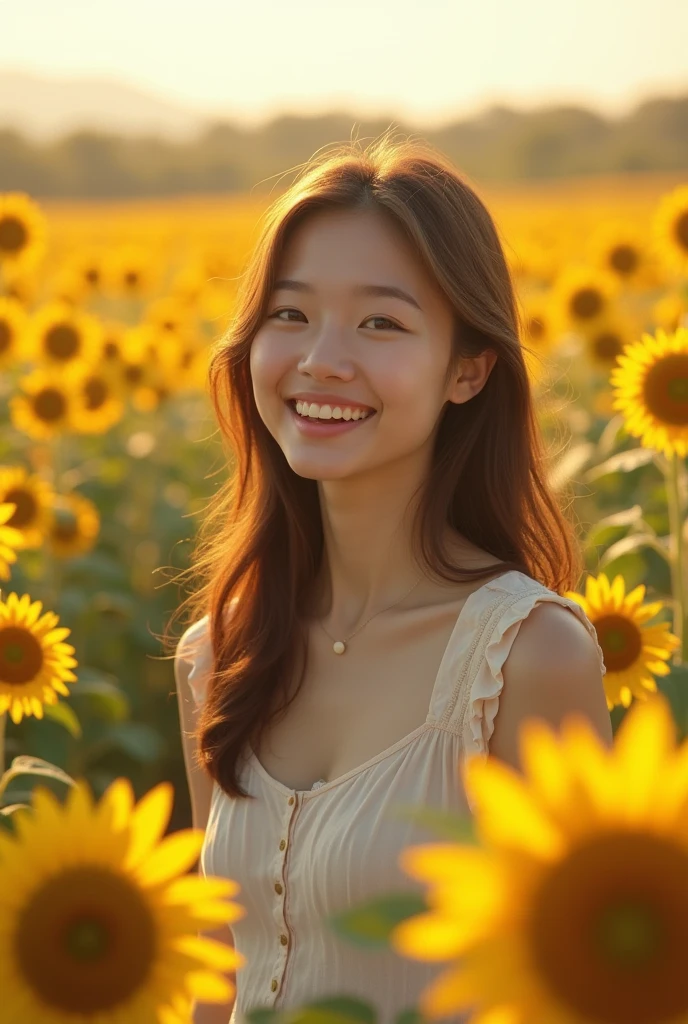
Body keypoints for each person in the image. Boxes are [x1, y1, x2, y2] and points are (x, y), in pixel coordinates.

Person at [172, 131, 612, 1024]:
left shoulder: (529, 660)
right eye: (289, 314)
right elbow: (218, 972)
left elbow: (587, 993)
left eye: (381, 323)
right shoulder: (219, 651)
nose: (321, 358)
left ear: (469, 369)